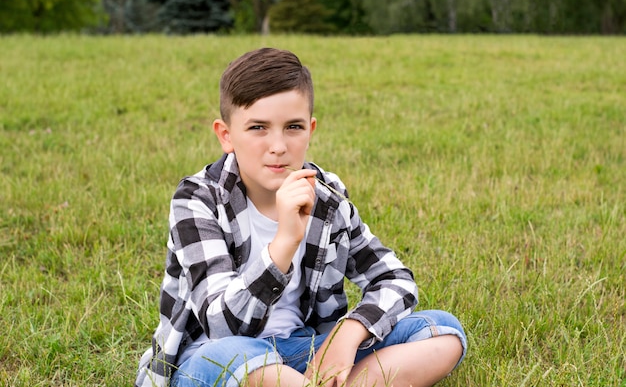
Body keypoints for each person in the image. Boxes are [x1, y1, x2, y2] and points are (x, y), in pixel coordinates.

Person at [135, 47, 467, 387]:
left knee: (442, 332)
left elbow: (395, 279)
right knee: (231, 356)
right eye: (258, 128)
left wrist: (347, 336)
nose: (278, 145)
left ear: (310, 129)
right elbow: (221, 327)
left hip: (301, 350)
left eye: (292, 127)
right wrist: (285, 242)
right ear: (226, 135)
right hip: (214, 359)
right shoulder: (198, 199)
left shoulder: (326, 194)